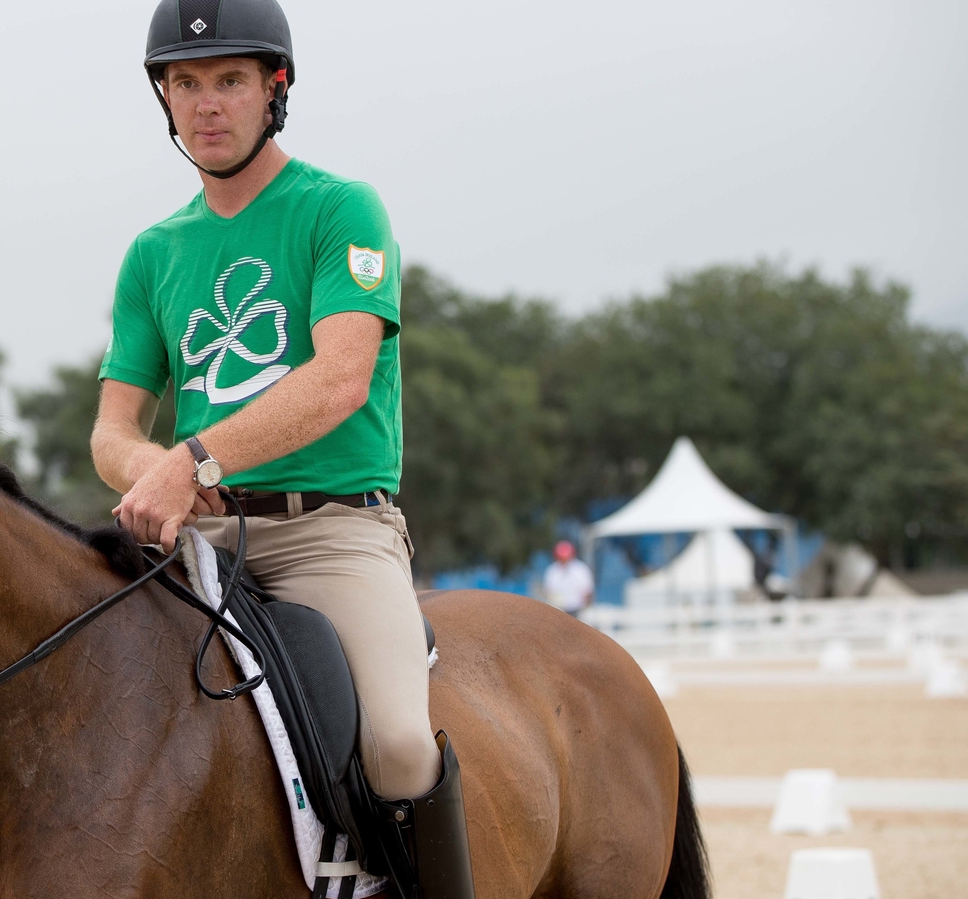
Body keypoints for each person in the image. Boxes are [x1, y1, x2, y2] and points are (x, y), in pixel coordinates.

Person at [90, 1, 473, 894]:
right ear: (165, 98)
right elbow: (112, 430)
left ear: (275, 89)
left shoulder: (340, 209)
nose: (206, 104)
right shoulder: (154, 252)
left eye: (229, 80)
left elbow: (341, 378)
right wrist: (157, 472)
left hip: (331, 534)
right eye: (185, 83)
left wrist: (193, 459)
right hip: (195, 544)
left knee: (398, 744)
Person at [542, 541, 594, 616]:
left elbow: (588, 591)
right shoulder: (552, 571)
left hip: (578, 610)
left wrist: (585, 606)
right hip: (558, 610)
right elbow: (548, 591)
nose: (564, 561)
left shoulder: (581, 569)